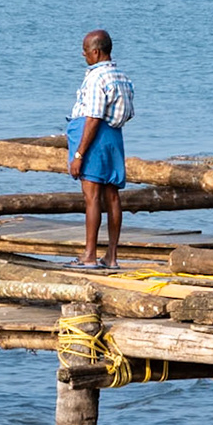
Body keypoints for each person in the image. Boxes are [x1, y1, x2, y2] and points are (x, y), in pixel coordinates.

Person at [67, 29, 135, 269]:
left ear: (96, 52)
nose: (84, 55)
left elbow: (93, 117)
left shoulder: (97, 77)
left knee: (92, 196)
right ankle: (112, 256)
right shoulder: (122, 76)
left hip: (94, 137)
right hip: (114, 137)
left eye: (86, 51)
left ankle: (90, 255)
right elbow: (128, 113)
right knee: (112, 195)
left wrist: (79, 154)